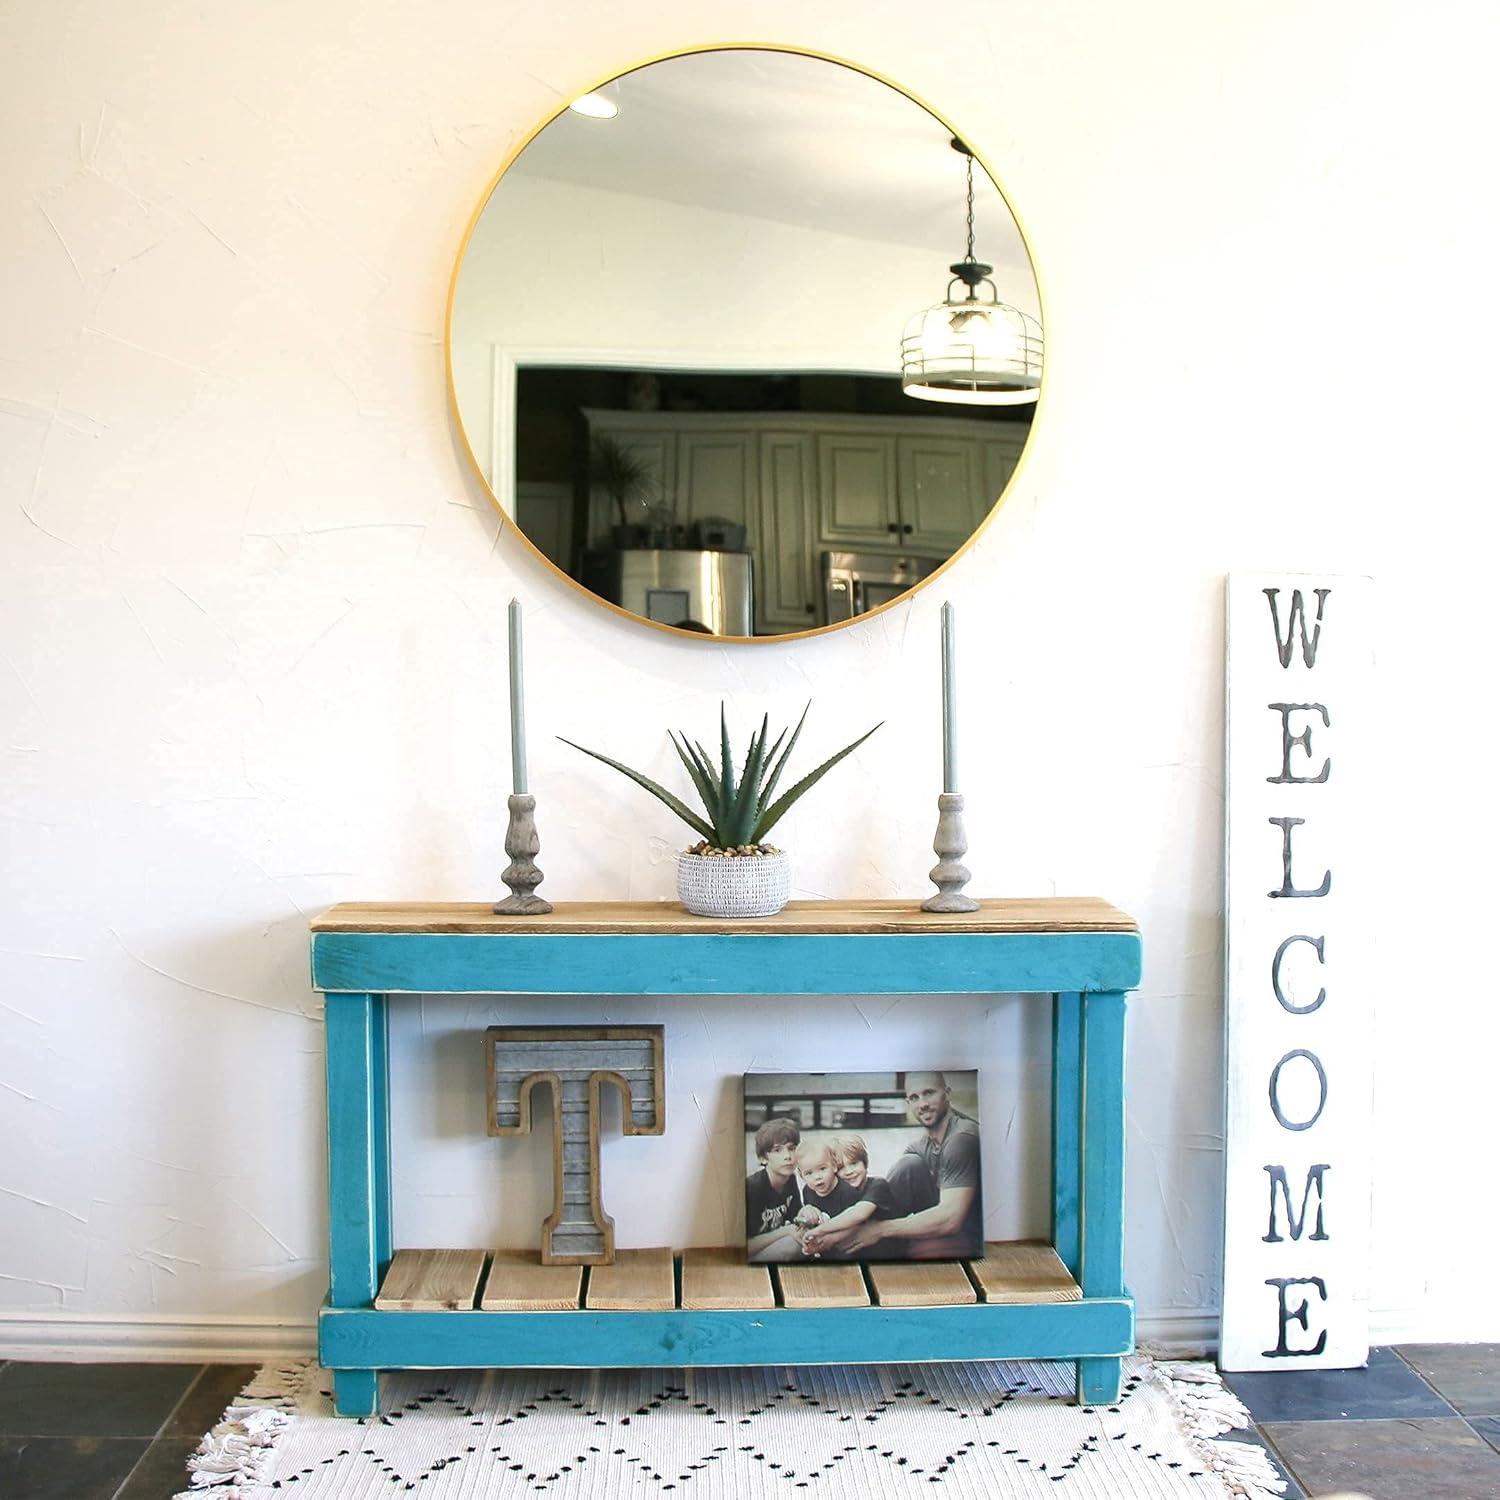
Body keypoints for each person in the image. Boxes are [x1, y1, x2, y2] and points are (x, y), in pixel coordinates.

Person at [838, 1072, 983, 1259]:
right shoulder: (922, 1145)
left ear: (947, 1094)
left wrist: (880, 1230)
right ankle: (843, 1239)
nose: (922, 1104)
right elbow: (887, 1193)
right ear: (908, 1104)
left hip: (974, 1236)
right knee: (908, 1166)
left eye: (929, 1093)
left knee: (904, 1247)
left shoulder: (962, 1138)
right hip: (947, 1222)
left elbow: (950, 1219)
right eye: (914, 1098)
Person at [798, 1133, 898, 1259]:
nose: (849, 1171)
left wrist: (820, 1232)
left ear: (865, 1163)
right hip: (850, 1249)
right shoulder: (826, 1188)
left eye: (854, 1163)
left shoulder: (877, 1185)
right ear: (833, 1169)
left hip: (883, 1251)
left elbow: (858, 1215)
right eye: (841, 1167)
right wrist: (806, 1210)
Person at [745, 1117, 804, 1261]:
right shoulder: (752, 1188)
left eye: (792, 1148)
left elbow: (795, 1220)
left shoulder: (790, 1179)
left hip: (772, 1246)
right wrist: (784, 1232)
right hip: (749, 1258)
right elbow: (743, 1247)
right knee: (792, 1245)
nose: (788, 1156)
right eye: (777, 1150)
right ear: (763, 1158)